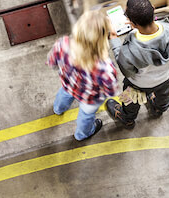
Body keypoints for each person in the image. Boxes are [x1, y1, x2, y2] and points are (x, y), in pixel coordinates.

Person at [106, 0, 169, 129]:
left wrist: (114, 38)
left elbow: (127, 72)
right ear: (153, 10)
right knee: (164, 95)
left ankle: (127, 118)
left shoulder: (129, 50)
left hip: (139, 84)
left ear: (131, 23)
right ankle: (159, 108)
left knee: (130, 98)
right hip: (166, 77)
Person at [48, 10, 117, 140]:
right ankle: (82, 134)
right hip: (89, 98)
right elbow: (110, 91)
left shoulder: (62, 44)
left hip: (68, 83)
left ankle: (58, 109)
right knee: (86, 115)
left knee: (64, 94)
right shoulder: (105, 68)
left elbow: (52, 63)